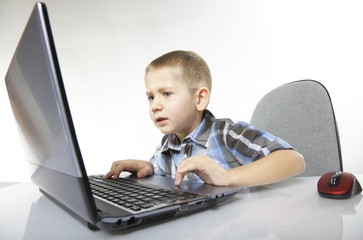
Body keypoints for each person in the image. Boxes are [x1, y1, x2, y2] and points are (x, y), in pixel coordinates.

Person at [104, 50, 305, 187]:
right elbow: (159, 172)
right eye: (151, 97)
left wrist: (228, 177)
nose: (155, 105)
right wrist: (147, 167)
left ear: (199, 99)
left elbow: (293, 160)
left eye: (166, 93)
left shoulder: (226, 133)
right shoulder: (167, 145)